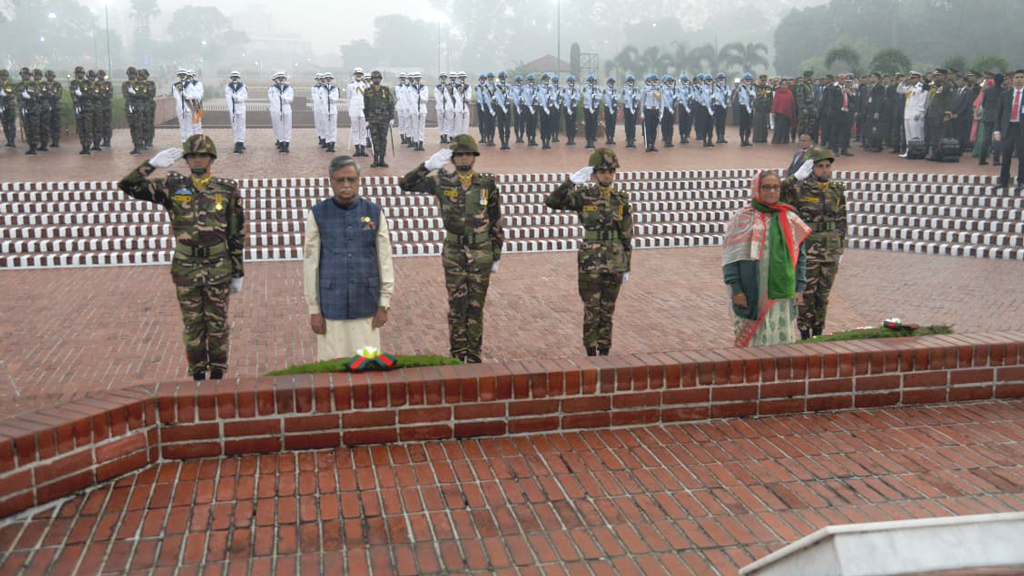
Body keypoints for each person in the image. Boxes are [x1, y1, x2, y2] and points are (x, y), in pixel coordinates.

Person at [117, 134, 245, 380]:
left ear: (212, 158)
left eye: (203, 155)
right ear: (186, 159)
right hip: (186, 268)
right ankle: (197, 373)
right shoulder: (173, 187)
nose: (198, 160)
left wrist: (238, 272)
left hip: (218, 267)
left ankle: (218, 373)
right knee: (193, 325)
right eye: (193, 155)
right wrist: (151, 164)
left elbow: (236, 233)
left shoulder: (227, 189)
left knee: (217, 325)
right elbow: (127, 185)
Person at [399, 135, 504, 363]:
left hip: (481, 251)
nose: (464, 158)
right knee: (457, 306)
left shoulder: (487, 183)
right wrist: (426, 166)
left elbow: (496, 219)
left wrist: (496, 255)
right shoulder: (441, 181)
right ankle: (457, 357)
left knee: (476, 307)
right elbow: (405, 185)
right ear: (453, 158)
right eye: (459, 154)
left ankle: (474, 356)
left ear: (474, 157)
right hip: (455, 252)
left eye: (468, 154)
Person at [304, 156, 395, 361]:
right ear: (331, 181)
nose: (346, 185)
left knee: (367, 365)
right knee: (332, 368)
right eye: (340, 180)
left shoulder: (374, 212)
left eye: (351, 180)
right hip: (331, 304)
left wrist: (384, 303)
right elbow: (311, 265)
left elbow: (385, 259)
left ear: (359, 181)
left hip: (367, 302)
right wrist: (314, 309)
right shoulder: (318, 214)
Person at [545, 148, 633, 356]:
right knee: (591, 309)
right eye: (602, 172)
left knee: (607, 310)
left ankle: (604, 351)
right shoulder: (583, 195)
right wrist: (571, 182)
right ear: (594, 174)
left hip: (615, 260)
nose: (607, 176)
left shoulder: (620, 198)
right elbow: (552, 202)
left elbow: (627, 233)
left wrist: (627, 264)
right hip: (591, 261)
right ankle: (590, 351)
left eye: (611, 171)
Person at [723, 171, 810, 347]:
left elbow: (800, 258)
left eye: (776, 187)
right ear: (756, 189)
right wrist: (736, 289)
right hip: (752, 292)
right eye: (766, 187)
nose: (771, 191)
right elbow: (731, 258)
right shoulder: (743, 218)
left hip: (782, 295)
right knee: (752, 346)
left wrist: (799, 287)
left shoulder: (790, 218)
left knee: (780, 344)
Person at [780, 146, 847, 339]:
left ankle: (818, 332)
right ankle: (804, 333)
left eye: (828, 166)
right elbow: (779, 195)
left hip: (830, 250)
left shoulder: (836, 190)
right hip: (808, 250)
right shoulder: (799, 189)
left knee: (822, 296)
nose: (825, 170)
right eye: (820, 166)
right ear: (811, 169)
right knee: (806, 295)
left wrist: (840, 248)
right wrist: (794, 178)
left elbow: (842, 220)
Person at [993, 69, 1024, 192]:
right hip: (1008, 128)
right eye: (1017, 77)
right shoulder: (1005, 95)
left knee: (1022, 157)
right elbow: (998, 114)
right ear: (1012, 79)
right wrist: (996, 130)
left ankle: (1021, 181)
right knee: (1006, 156)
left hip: (1021, 129)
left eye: (1021, 77)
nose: (1019, 79)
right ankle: (1003, 181)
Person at [364, 70, 395, 168]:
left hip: (384, 119)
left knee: (383, 140)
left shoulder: (385, 90)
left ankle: (382, 159)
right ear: (372, 79)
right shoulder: (368, 91)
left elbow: (391, 104)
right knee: (374, 140)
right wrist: (366, 119)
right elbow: (366, 106)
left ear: (380, 79)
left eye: (378, 78)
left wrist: (391, 118)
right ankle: (375, 159)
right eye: (374, 78)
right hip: (373, 119)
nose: (376, 79)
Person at [924, 68, 954, 161]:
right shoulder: (934, 86)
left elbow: (949, 101)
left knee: (941, 135)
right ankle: (933, 154)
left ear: (943, 76)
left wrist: (947, 114)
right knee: (933, 135)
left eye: (938, 75)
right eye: (935, 76)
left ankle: (940, 154)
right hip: (932, 114)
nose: (936, 77)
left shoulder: (947, 86)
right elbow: (924, 86)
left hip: (941, 114)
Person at [899, 71, 927, 155]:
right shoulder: (909, 88)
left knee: (916, 134)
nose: (911, 80)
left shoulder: (921, 87)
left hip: (915, 114)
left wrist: (919, 112)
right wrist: (903, 82)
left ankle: (918, 151)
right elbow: (899, 90)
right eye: (910, 78)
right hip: (908, 114)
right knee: (908, 135)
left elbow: (923, 101)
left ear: (918, 78)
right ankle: (909, 151)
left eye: (913, 78)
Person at [15, 67, 41, 155]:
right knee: (27, 128)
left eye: (25, 74)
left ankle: (34, 147)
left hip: (33, 109)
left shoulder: (34, 84)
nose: (24, 75)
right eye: (22, 74)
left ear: (29, 75)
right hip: (24, 109)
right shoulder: (18, 85)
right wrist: (21, 105)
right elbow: (17, 96)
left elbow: (38, 95)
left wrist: (30, 97)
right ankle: (30, 146)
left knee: (34, 128)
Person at [69, 66, 94, 155]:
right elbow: (72, 94)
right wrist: (76, 100)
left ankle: (88, 146)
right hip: (78, 108)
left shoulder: (88, 83)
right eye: (77, 73)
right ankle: (83, 146)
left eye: (81, 73)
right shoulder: (73, 83)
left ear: (83, 74)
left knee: (87, 128)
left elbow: (90, 94)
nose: (79, 74)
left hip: (87, 108)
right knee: (80, 128)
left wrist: (81, 94)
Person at [268, 72, 294, 153]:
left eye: (282, 78)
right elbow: (271, 99)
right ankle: (281, 142)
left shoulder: (289, 88)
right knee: (279, 127)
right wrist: (278, 106)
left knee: (287, 127)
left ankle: (287, 143)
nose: (281, 79)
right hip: (276, 109)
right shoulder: (272, 88)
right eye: (279, 78)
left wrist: (285, 99)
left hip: (286, 109)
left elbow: (291, 98)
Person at [348, 68, 370, 156]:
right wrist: (349, 110)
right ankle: (357, 148)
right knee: (355, 130)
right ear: (354, 75)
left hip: (364, 109)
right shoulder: (350, 85)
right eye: (357, 74)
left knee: (363, 130)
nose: (358, 75)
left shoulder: (366, 85)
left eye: (360, 74)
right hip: (354, 110)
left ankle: (363, 149)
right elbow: (348, 99)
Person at [225, 71, 247, 154]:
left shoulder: (243, 86)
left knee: (241, 126)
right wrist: (231, 109)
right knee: (234, 126)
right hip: (233, 109)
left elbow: (245, 97)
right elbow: (228, 99)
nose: (235, 78)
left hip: (241, 108)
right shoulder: (228, 87)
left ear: (239, 78)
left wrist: (237, 98)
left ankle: (240, 142)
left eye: (236, 77)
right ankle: (236, 142)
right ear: (231, 78)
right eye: (233, 77)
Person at [124, 67, 145, 154]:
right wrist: (135, 95)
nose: (131, 76)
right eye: (130, 74)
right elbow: (126, 95)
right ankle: (135, 145)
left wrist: (134, 93)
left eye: (133, 74)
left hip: (138, 107)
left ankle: (139, 145)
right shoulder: (125, 84)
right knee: (132, 127)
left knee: (138, 126)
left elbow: (143, 95)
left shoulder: (140, 84)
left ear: (136, 75)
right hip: (130, 106)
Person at [771, 79, 796, 145]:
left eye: (785, 84)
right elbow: (775, 102)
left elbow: (792, 103)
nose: (784, 85)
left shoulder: (790, 93)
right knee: (778, 127)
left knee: (786, 128)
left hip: (787, 113)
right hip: (779, 112)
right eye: (782, 84)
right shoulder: (778, 92)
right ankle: (777, 140)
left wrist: (793, 112)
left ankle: (784, 140)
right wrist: (773, 111)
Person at [31, 69, 51, 152]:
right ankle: (35, 145)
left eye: (39, 75)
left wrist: (40, 95)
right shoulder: (31, 84)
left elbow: (49, 94)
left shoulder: (45, 84)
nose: (37, 76)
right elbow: (31, 95)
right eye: (36, 75)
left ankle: (44, 145)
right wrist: (38, 95)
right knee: (35, 127)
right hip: (35, 108)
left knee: (44, 127)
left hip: (44, 108)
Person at [171, 69, 192, 143]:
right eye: (181, 75)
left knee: (189, 126)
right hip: (180, 107)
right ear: (179, 76)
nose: (182, 76)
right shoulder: (175, 85)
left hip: (189, 107)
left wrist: (186, 96)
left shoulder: (190, 84)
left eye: (183, 74)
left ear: (186, 75)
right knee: (182, 126)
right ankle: (184, 141)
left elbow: (193, 96)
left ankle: (189, 141)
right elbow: (175, 96)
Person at [641, 74, 661, 152]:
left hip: (655, 110)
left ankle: (653, 144)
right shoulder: (645, 89)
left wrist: (661, 112)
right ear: (650, 81)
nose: (655, 82)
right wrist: (642, 112)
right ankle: (648, 145)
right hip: (648, 110)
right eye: (653, 80)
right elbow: (642, 101)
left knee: (654, 128)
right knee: (648, 128)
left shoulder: (659, 89)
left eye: (656, 80)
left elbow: (661, 102)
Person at [42, 70, 62, 149]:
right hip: (46, 106)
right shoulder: (43, 84)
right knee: (46, 125)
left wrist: (51, 94)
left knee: (56, 125)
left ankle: (55, 141)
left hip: (56, 107)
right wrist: (49, 94)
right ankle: (45, 143)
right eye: (49, 76)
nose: (50, 77)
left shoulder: (57, 84)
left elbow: (59, 95)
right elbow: (41, 94)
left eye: (52, 76)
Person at [138, 69, 157, 150]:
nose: (140, 77)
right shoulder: (136, 84)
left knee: (149, 123)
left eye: (142, 75)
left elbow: (151, 94)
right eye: (139, 75)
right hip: (139, 106)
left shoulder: (150, 83)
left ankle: (149, 140)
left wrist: (140, 94)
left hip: (149, 106)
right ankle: (141, 140)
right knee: (140, 124)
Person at [410, 72, 428, 151]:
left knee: (421, 127)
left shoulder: (424, 87)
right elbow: (411, 99)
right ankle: (416, 143)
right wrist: (417, 99)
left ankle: (421, 143)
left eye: (418, 78)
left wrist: (421, 98)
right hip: (414, 109)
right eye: (416, 78)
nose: (417, 80)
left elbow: (426, 99)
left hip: (422, 109)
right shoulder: (410, 88)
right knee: (415, 127)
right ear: (414, 79)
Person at [736, 73, 755, 146]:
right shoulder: (741, 87)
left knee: (749, 124)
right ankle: (742, 140)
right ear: (744, 80)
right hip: (743, 107)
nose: (748, 81)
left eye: (749, 79)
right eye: (746, 79)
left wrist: (750, 107)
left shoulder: (752, 87)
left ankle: (747, 139)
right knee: (742, 124)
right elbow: (744, 97)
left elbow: (754, 96)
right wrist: (748, 108)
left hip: (750, 106)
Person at [95, 70, 114, 148]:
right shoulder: (95, 84)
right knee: (99, 124)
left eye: (102, 75)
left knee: (107, 125)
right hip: (98, 106)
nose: (101, 77)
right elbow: (94, 94)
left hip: (107, 106)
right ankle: (101, 140)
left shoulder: (108, 84)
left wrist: (103, 95)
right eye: (100, 75)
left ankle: (107, 140)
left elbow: (110, 94)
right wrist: (101, 95)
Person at [582, 75, 601, 149]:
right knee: (588, 125)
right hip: (587, 108)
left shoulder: (597, 89)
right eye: (590, 81)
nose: (591, 82)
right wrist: (590, 107)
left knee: (594, 125)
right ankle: (588, 141)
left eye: (592, 81)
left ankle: (592, 140)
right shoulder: (585, 88)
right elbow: (587, 97)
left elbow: (600, 97)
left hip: (595, 108)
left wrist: (595, 96)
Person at [562, 75, 581, 146]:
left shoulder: (576, 89)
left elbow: (578, 97)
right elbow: (565, 98)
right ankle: (568, 139)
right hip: (566, 107)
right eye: (570, 81)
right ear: (567, 82)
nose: (571, 83)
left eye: (572, 81)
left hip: (574, 107)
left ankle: (572, 138)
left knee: (573, 123)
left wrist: (575, 98)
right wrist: (568, 109)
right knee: (568, 124)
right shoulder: (565, 89)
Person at [0, 69, 16, 148]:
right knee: (5, 124)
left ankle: (12, 141)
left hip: (10, 106)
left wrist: (6, 95)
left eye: (5, 75)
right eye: (2, 75)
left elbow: (14, 95)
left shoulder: (11, 84)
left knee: (11, 124)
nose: (4, 77)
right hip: (2, 107)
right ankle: (8, 140)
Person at [659, 75, 676, 148]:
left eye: (671, 81)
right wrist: (669, 108)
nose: (670, 83)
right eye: (669, 81)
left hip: (672, 109)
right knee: (665, 124)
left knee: (670, 125)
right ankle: (666, 139)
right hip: (666, 108)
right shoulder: (663, 89)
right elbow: (665, 99)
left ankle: (670, 140)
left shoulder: (673, 89)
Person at [603, 77, 618, 145]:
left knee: (613, 123)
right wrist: (610, 108)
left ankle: (612, 137)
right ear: (608, 83)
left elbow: (618, 98)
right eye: (610, 82)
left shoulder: (615, 90)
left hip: (614, 107)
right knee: (608, 123)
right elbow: (607, 99)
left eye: (613, 82)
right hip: (607, 108)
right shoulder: (605, 90)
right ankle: (608, 138)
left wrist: (615, 97)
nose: (612, 84)